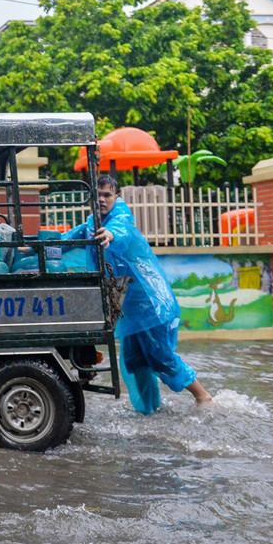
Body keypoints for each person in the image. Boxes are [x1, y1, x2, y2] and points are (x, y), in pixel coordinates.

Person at [64, 175, 212, 414]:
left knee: (160, 356)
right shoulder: (92, 223)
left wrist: (110, 235)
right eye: (98, 195)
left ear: (116, 196)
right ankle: (149, 411)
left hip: (150, 303)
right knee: (133, 360)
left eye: (107, 195)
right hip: (129, 308)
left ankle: (203, 396)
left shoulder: (120, 218)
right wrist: (30, 245)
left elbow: (119, 231)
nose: (102, 199)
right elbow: (66, 239)